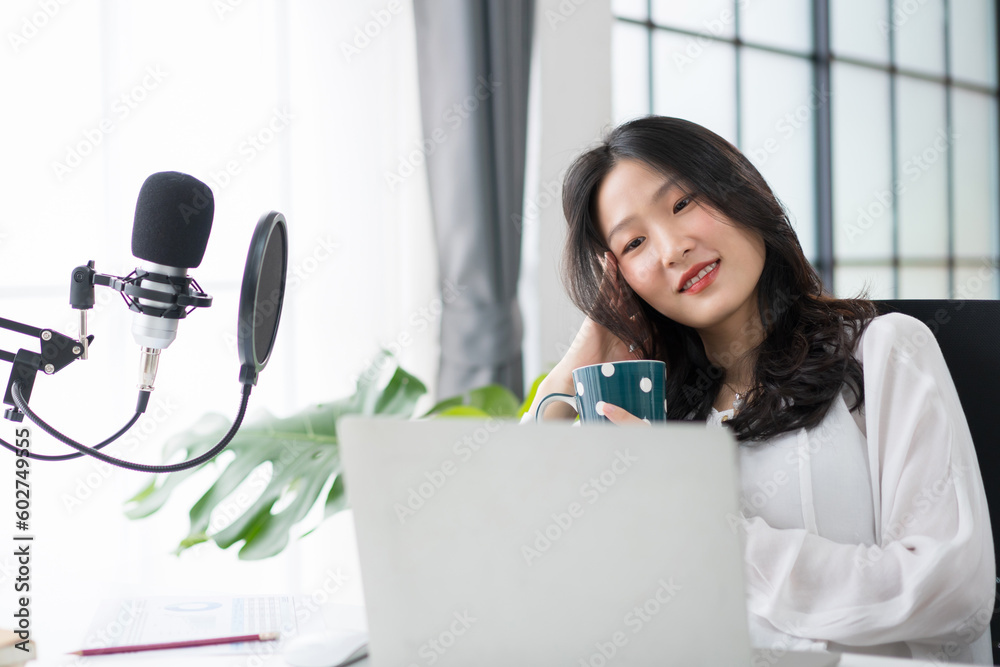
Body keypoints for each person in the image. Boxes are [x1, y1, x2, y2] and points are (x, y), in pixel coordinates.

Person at [526, 116, 996, 663]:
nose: (673, 248)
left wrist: (704, 527)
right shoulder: (658, 422)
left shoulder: (883, 351)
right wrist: (579, 359)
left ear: (740, 192)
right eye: (634, 243)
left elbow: (952, 595)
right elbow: (530, 564)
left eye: (682, 203)